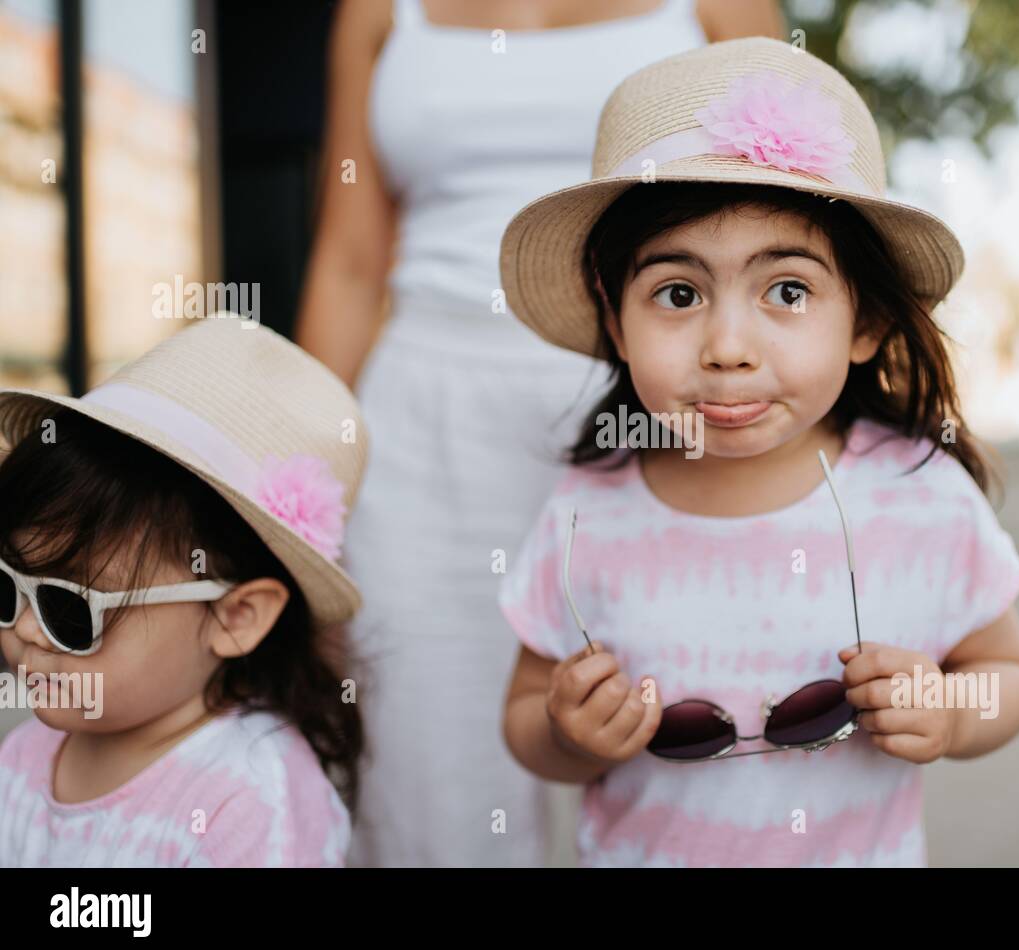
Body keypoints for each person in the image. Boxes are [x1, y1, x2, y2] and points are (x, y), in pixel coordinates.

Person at [498, 37, 1019, 866]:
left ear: (864, 321)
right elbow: (527, 712)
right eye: (677, 293)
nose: (727, 346)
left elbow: (1010, 672)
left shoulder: (919, 493)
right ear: (616, 323)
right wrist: (569, 733)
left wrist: (955, 709)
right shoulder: (588, 505)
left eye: (787, 290)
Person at [295, 0, 784, 866]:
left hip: (659, 411)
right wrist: (302, 503)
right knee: (427, 796)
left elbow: (788, 223)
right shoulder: (374, 13)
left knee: (694, 765)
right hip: (422, 420)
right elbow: (348, 260)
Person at [0, 316, 368, 866]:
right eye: (8, 588)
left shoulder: (251, 803)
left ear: (235, 616)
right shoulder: (27, 754)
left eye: (71, 609)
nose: (25, 628)